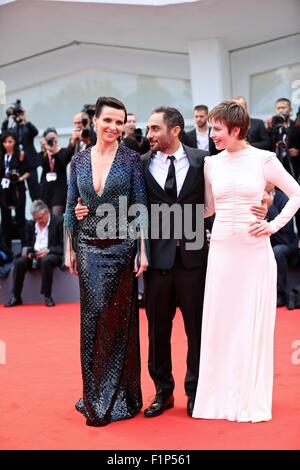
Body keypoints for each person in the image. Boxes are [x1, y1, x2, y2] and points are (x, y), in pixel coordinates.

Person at [75, 106, 266, 418]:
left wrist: (262, 204)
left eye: (154, 129)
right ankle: (163, 392)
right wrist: (87, 210)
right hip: (158, 262)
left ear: (175, 130)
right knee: (157, 333)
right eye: (148, 129)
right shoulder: (140, 164)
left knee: (197, 331)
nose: (148, 135)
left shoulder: (203, 160)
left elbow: (229, 189)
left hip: (194, 259)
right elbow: (124, 203)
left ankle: (195, 392)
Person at [192, 101, 300, 422]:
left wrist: (272, 224)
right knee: (221, 323)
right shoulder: (212, 164)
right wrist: (171, 215)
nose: (211, 135)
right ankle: (218, 398)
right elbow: (208, 209)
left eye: (217, 129)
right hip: (223, 250)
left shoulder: (263, 160)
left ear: (236, 129)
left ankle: (247, 396)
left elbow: (296, 193)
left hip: (254, 251)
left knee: (249, 323)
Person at [64, 96, 148, 427]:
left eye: (119, 121)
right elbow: (72, 206)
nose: (114, 127)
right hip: (88, 247)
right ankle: (94, 393)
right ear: (95, 122)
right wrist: (70, 246)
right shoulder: (78, 161)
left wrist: (143, 249)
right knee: (92, 319)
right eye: (108, 120)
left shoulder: (131, 160)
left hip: (122, 246)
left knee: (120, 320)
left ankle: (121, 396)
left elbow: (140, 206)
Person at [5, 200, 63, 308]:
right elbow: (27, 244)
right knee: (19, 262)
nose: (38, 221)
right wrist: (29, 252)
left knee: (46, 261)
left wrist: (48, 251)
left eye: (40, 218)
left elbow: (63, 246)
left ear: (46, 212)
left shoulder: (58, 221)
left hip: (51, 253)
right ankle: (16, 296)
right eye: (36, 219)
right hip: (35, 254)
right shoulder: (31, 224)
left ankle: (47, 296)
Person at [0, 131, 30, 248]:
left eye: (10, 142)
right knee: (5, 220)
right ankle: (6, 250)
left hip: (17, 189)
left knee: (20, 219)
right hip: (4, 191)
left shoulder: (20, 154)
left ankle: (24, 247)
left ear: (15, 142)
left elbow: (28, 172)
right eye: (5, 142)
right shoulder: (2, 155)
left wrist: (19, 178)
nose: (7, 144)